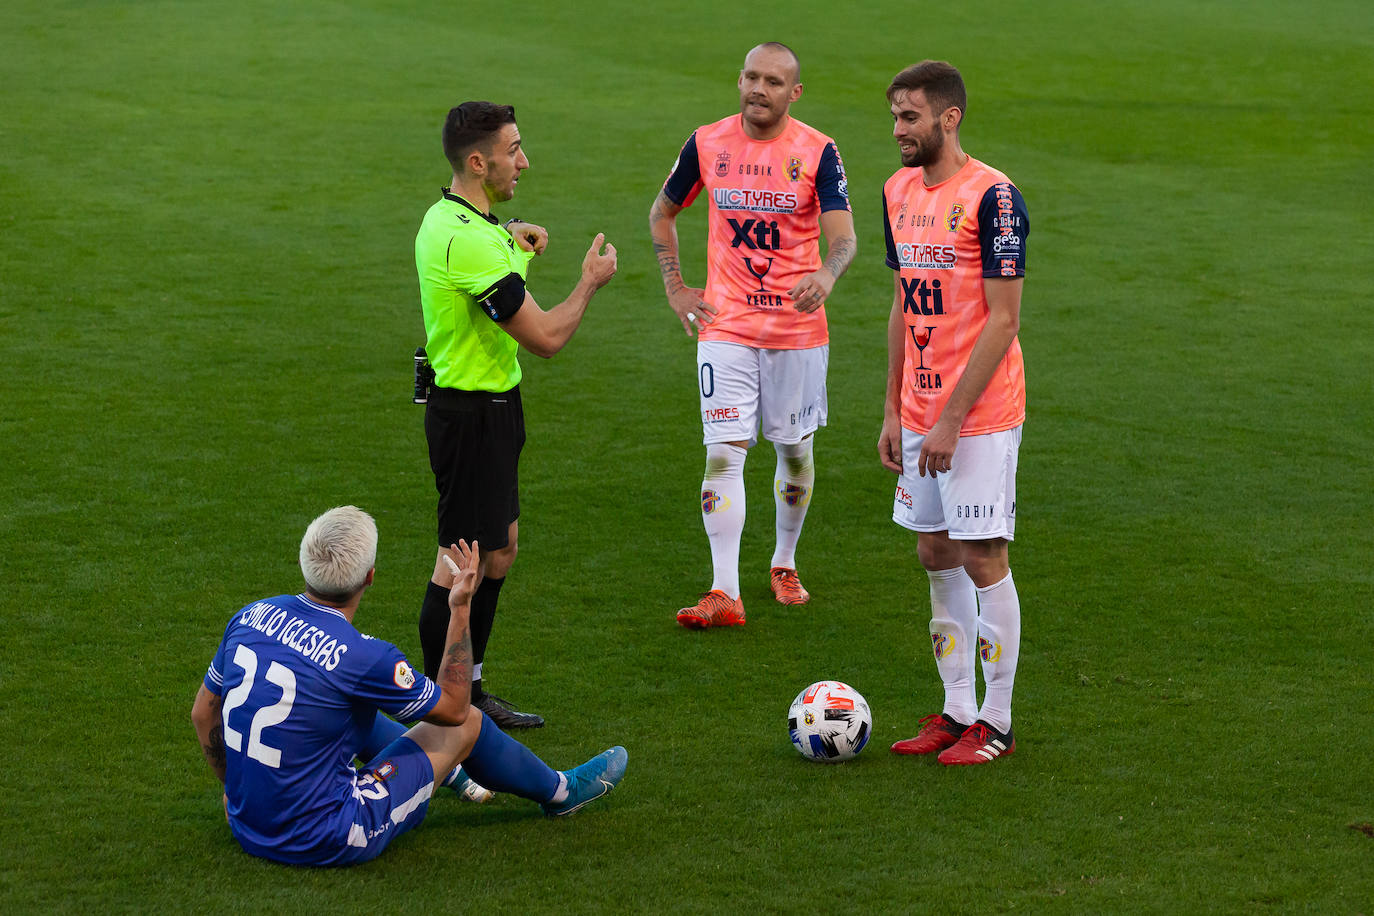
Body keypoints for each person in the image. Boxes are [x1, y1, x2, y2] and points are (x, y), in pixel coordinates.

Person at [191, 506, 628, 866]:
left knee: (351, 713)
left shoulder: (250, 616)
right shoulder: (366, 657)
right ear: (370, 578)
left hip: (247, 825)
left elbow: (203, 714)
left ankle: (453, 775)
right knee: (467, 725)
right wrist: (459, 608)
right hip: (329, 836)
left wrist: (235, 792)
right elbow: (455, 710)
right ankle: (561, 792)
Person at [414, 101, 618, 727]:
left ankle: (470, 687)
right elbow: (547, 336)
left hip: (496, 407)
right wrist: (587, 283)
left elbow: (495, 298)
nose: (523, 162)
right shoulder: (466, 239)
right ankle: (439, 707)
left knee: (499, 551)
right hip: (470, 417)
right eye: (514, 150)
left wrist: (519, 251)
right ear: (479, 162)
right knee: (459, 563)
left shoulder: (469, 223)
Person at [649, 42, 857, 629]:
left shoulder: (817, 151)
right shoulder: (707, 141)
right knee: (722, 455)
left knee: (794, 452)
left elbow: (844, 237)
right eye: (750, 77)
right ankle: (724, 591)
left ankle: (784, 562)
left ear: (794, 92)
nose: (758, 89)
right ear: (738, 80)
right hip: (727, 327)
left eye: (773, 81)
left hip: (796, 331)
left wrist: (827, 272)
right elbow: (661, 213)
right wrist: (676, 288)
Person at [876, 61, 1029, 766]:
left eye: (910, 117)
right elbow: (905, 303)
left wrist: (949, 419)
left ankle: (995, 723)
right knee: (934, 550)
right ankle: (955, 709)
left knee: (981, 555)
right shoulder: (897, 190)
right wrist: (894, 409)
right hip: (918, 410)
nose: (899, 130)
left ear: (949, 117)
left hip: (980, 414)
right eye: (895, 117)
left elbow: (1003, 321)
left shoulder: (994, 198)